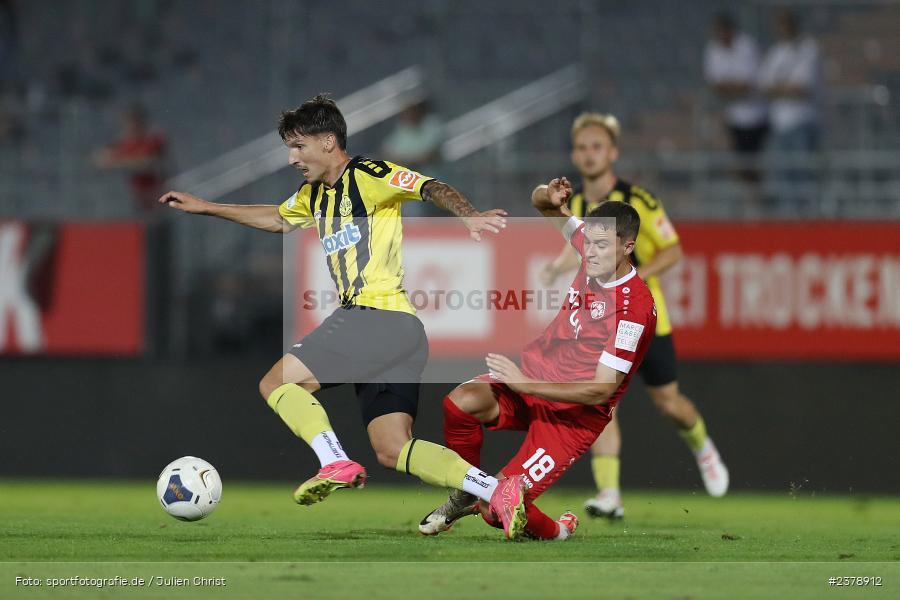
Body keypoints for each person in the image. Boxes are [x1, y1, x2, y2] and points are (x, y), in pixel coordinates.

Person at [159, 94, 533, 539]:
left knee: (276, 383)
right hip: (399, 332)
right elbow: (278, 218)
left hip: (375, 316)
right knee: (393, 449)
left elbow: (430, 186)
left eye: (299, 146)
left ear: (328, 141)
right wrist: (207, 207)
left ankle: (333, 460)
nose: (292, 158)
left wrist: (469, 216)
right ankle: (495, 489)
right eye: (289, 148)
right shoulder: (313, 195)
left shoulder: (370, 175)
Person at [418, 177, 657, 541]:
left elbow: (601, 390)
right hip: (533, 378)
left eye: (601, 246)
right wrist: (550, 195)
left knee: (496, 510)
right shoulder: (592, 248)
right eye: (589, 243)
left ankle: (560, 530)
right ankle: (467, 489)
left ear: (628, 247)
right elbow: (541, 203)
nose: (590, 253)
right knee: (459, 403)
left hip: (572, 416)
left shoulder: (634, 309)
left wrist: (524, 384)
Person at [540, 112, 729, 520]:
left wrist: (633, 278)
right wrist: (556, 268)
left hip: (645, 320)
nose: (589, 155)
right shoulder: (575, 203)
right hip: (601, 321)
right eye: (582, 148)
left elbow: (673, 250)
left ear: (612, 153)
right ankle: (609, 494)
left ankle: (702, 446)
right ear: (574, 155)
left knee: (669, 403)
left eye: (597, 147)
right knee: (601, 399)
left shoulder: (638, 200)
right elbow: (578, 245)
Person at [758, 9, 822, 212]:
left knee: (803, 173)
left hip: (803, 121)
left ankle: (807, 215)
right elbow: (765, 86)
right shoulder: (776, 52)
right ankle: (789, 218)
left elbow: (803, 88)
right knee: (784, 174)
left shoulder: (808, 48)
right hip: (780, 123)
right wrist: (786, 88)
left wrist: (779, 88)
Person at [703, 12, 768, 183]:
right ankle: (749, 194)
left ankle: (758, 194)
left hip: (756, 116)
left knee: (753, 164)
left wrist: (730, 88)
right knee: (739, 165)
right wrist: (735, 88)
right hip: (733, 116)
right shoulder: (713, 49)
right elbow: (716, 85)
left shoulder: (747, 46)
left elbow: (748, 84)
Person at [94, 106, 168, 214]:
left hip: (155, 195)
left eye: (132, 122)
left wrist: (118, 162)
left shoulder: (153, 140)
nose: (129, 126)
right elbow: (100, 159)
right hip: (133, 196)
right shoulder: (125, 142)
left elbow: (146, 164)